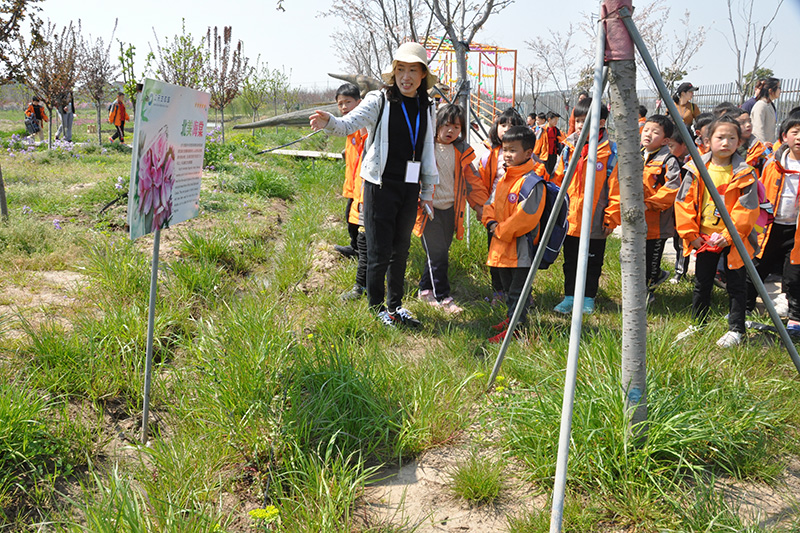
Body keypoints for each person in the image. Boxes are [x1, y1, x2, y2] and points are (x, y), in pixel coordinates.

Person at [310, 41, 439, 328]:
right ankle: (377, 308)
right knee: (379, 250)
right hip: (379, 185)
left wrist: (427, 191)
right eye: (401, 69)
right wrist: (329, 120)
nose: (406, 76)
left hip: (409, 186)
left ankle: (396, 307)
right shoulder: (378, 100)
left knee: (401, 249)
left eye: (413, 70)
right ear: (393, 73)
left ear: (422, 75)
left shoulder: (426, 106)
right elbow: (348, 124)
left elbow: (428, 150)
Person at [674, 115, 760, 347]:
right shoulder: (696, 169)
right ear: (706, 140)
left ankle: (736, 329)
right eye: (720, 137)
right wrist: (690, 235)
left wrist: (729, 235)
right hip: (703, 238)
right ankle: (698, 323)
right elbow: (683, 203)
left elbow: (748, 208)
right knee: (702, 282)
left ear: (739, 142)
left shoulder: (745, 172)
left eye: (732, 138)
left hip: (733, 240)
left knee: (736, 285)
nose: (726, 142)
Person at [414, 103, 488, 313]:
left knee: (439, 252)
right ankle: (443, 298)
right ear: (436, 124)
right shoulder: (424, 147)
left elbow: (472, 182)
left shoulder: (461, 151)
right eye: (446, 125)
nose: (450, 131)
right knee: (438, 255)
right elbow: (411, 174)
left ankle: (425, 289)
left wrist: (481, 207)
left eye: (456, 127)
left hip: (451, 211)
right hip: (429, 210)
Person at [551, 98, 620, 315]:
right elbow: (557, 181)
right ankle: (570, 296)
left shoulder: (610, 153)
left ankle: (588, 298)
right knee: (570, 262)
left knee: (593, 263)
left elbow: (616, 188)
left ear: (601, 122)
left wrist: (611, 217)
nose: (581, 125)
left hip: (596, 221)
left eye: (586, 121)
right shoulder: (568, 149)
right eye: (578, 120)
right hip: (571, 220)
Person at [482, 126, 546, 343]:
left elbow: (525, 217)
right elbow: (490, 204)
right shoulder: (504, 178)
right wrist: (490, 221)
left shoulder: (532, 182)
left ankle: (518, 329)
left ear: (528, 153)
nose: (507, 154)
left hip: (521, 251)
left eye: (513, 150)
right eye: (505, 150)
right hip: (502, 247)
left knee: (518, 292)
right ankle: (512, 321)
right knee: (508, 289)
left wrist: (498, 230)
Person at [745, 115, 800, 330]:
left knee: (795, 275)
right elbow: (762, 193)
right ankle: (745, 307)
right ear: (784, 136)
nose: (799, 138)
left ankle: (795, 318)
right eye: (795, 132)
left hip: (796, 232)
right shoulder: (773, 164)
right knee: (756, 267)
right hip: (770, 227)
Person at [479, 107, 526, 305]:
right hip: (494, 210)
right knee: (494, 251)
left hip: (516, 212)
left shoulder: (524, 154)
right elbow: (481, 182)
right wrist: (481, 207)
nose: (507, 129)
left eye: (512, 126)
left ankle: (520, 292)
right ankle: (498, 290)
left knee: (518, 254)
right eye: (503, 124)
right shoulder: (492, 153)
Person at [641, 115, 682, 303]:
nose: (648, 134)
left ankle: (648, 290)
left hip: (657, 223)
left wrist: (649, 204)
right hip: (639, 220)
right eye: (646, 129)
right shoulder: (638, 154)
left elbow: (672, 188)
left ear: (666, 140)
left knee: (651, 259)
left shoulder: (668, 160)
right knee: (639, 257)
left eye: (655, 132)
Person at [332, 83, 365, 259]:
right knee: (349, 218)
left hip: (362, 184)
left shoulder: (362, 125)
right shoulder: (348, 127)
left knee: (355, 220)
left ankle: (360, 251)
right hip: (352, 183)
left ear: (359, 103)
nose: (344, 107)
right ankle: (355, 248)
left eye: (348, 102)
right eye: (340, 103)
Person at [668, 128, 691, 284]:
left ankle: (680, 272)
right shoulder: (672, 161)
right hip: (673, 209)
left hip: (685, 210)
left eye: (671, 146)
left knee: (682, 242)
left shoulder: (689, 165)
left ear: (684, 145)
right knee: (678, 242)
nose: (669, 150)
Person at [751, 77, 781, 145]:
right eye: (778, 87)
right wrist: (763, 147)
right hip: (762, 149)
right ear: (770, 90)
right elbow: (758, 130)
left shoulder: (770, 105)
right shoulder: (761, 106)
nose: (780, 90)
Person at [543, 111, 564, 176]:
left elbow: (561, 141)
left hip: (553, 154)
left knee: (551, 171)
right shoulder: (543, 130)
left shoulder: (556, 131)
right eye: (555, 120)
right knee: (544, 171)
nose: (556, 122)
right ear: (549, 119)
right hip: (544, 155)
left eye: (557, 120)